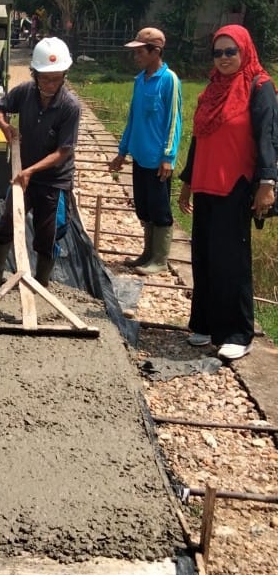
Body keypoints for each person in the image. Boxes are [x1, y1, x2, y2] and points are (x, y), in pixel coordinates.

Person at [178, 23, 278, 362]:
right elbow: (199, 139)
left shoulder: (259, 86)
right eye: (218, 52)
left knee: (231, 260)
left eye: (230, 51)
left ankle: (238, 332)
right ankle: (205, 324)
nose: (223, 58)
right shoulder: (212, 89)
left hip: (236, 185)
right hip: (206, 183)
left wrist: (267, 184)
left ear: (244, 51)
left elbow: (268, 137)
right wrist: (187, 183)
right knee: (204, 256)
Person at [0, 36, 81, 288]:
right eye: (45, 78)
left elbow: (64, 151)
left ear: (64, 75)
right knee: (7, 224)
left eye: (56, 78)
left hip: (53, 180)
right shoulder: (25, 92)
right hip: (22, 175)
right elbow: (0, 108)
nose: (51, 84)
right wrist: (5, 126)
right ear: (35, 74)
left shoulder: (70, 106)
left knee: (48, 234)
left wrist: (32, 171)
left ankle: (41, 283)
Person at [107, 27, 182, 274]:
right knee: (144, 207)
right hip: (140, 156)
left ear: (155, 52)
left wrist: (168, 156)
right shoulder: (140, 80)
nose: (136, 56)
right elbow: (133, 119)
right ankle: (147, 253)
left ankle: (160, 259)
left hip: (157, 160)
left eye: (140, 52)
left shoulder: (169, 80)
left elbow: (174, 121)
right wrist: (122, 151)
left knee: (160, 208)